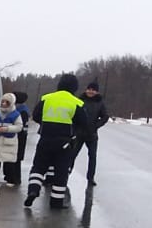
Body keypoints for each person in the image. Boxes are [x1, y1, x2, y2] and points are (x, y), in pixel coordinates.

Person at [25, 73, 87, 210]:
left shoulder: (47, 98)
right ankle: (56, 202)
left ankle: (33, 190)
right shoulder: (76, 102)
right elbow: (83, 122)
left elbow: (35, 116)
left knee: (39, 167)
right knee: (61, 172)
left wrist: (46, 124)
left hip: (45, 139)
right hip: (64, 143)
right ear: (74, 87)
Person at [0, 92, 24, 187]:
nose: (4, 104)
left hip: (9, 141)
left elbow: (19, 127)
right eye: (3, 101)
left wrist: (8, 129)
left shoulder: (15, 114)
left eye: (7, 102)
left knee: (9, 161)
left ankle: (12, 180)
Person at [77, 79, 110, 185]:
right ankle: (67, 173)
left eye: (93, 90)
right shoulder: (79, 100)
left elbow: (105, 116)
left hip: (92, 134)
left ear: (97, 92)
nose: (90, 92)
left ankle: (90, 178)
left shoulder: (99, 102)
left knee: (92, 156)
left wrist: (96, 126)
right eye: (89, 89)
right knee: (72, 154)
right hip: (79, 132)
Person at [12, 90, 31, 184]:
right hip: (21, 136)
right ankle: (13, 177)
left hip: (19, 137)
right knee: (16, 158)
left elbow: (20, 127)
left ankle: (15, 178)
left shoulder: (21, 111)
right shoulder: (24, 110)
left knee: (16, 158)